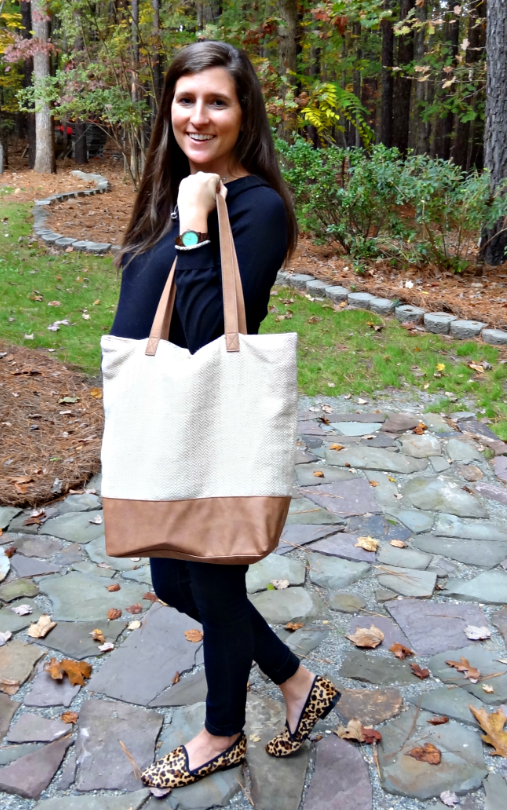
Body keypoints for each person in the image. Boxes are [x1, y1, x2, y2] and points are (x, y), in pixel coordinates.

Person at [110, 40, 340, 790]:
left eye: (217, 102)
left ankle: (222, 734)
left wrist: (193, 223)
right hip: (163, 426)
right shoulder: (175, 187)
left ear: (244, 115)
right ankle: (298, 683)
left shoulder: (255, 206)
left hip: (210, 430)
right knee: (173, 582)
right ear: (167, 106)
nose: (197, 116)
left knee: (212, 586)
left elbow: (212, 329)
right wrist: (181, 207)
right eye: (185, 99)